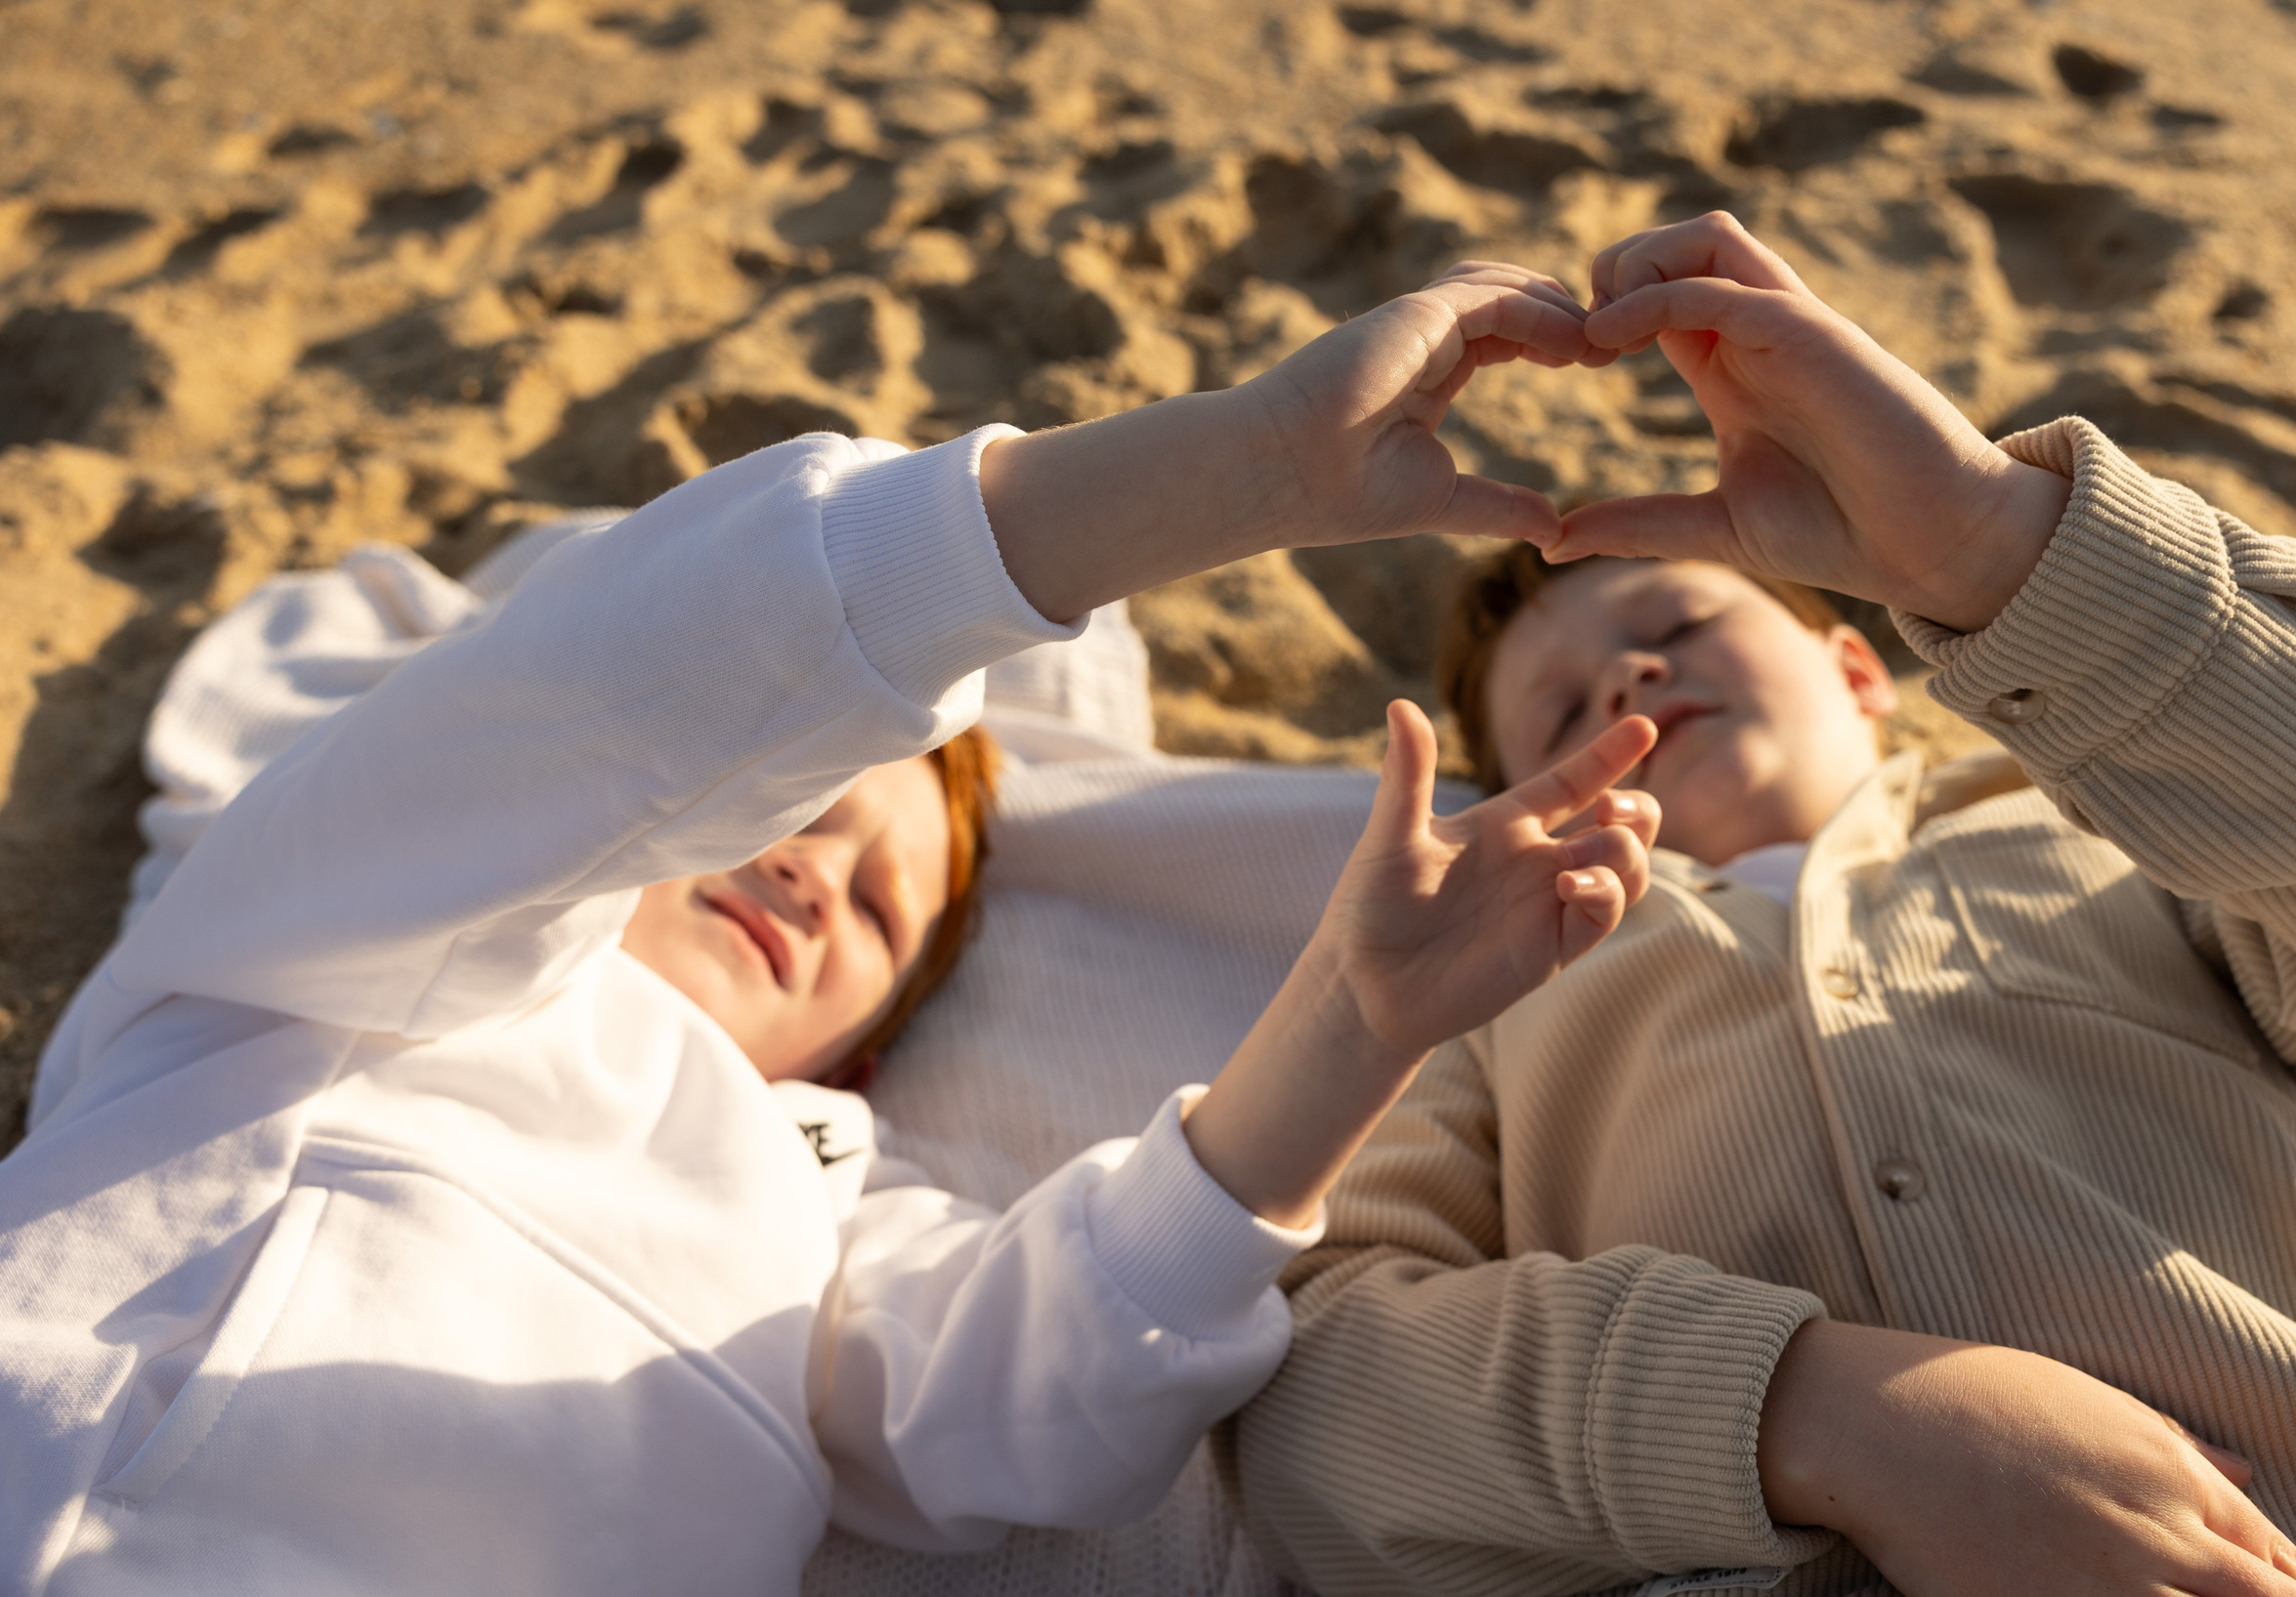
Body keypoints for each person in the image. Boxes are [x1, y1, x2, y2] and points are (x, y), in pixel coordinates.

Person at [0, 263, 1662, 1595]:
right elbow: (610, 693)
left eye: (877, 903)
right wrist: (1246, 470)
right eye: (786, 813)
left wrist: (1350, 1027)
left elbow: (1041, 1389)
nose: (809, 868)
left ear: (866, 1045)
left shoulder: (825, 1192)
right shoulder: (331, 947)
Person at [1228, 214, 2296, 1597]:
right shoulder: (1494, 999)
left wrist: (1988, 545)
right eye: (1564, 716)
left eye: (1676, 633)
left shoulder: (2115, 832)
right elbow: (1322, 1402)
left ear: (1858, 669)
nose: (1631, 688)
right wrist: (1808, 1416)